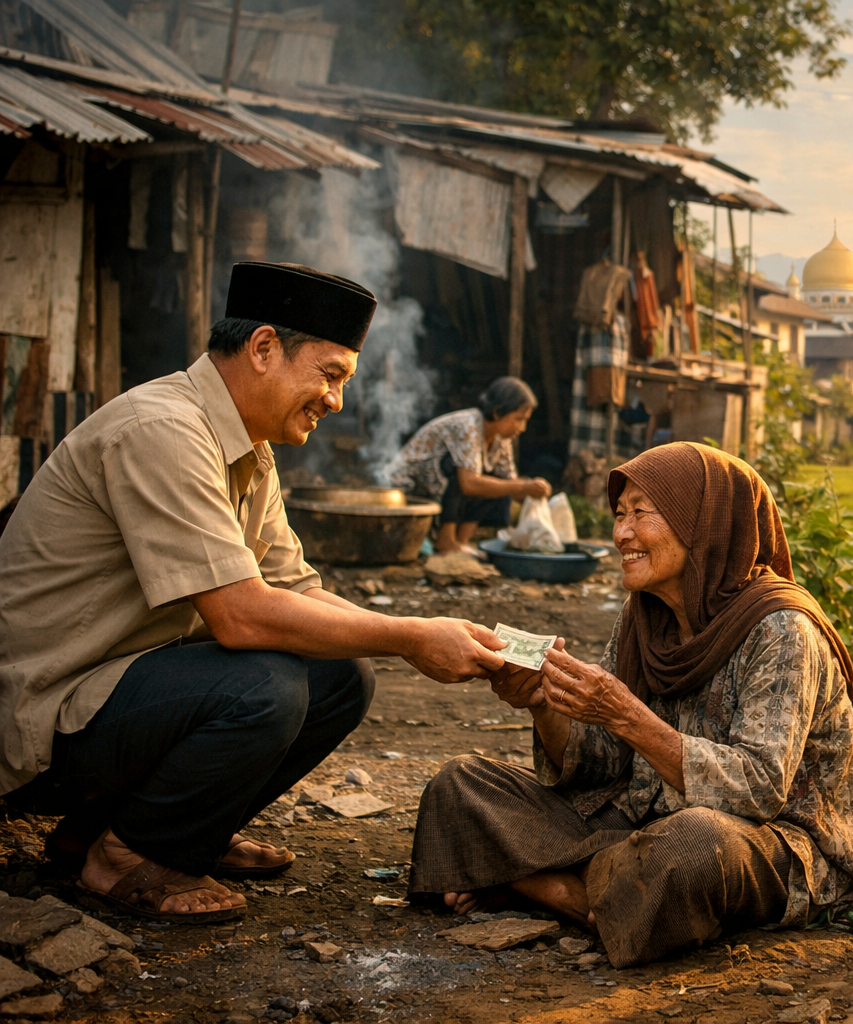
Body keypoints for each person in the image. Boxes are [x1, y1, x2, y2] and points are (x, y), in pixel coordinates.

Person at [0, 261, 508, 924]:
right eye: (330, 375)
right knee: (263, 685)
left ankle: (143, 832)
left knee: (342, 677)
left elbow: (294, 587)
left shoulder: (249, 449)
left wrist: (424, 632)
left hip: (115, 695)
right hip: (41, 716)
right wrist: (411, 638)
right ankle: (126, 857)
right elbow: (242, 616)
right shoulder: (163, 430)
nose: (336, 401)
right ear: (264, 348)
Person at [408, 443, 853, 968]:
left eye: (641, 513)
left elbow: (758, 788)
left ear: (702, 523)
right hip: (640, 821)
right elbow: (601, 765)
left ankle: (550, 889)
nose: (621, 534)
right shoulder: (643, 615)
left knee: (692, 846)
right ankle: (598, 894)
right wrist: (546, 705)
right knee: (460, 784)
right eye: (619, 514)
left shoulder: (782, 629)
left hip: (771, 843)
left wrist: (627, 714)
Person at [385, 377, 552, 559]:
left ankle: (460, 540)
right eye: (518, 419)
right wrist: (522, 486)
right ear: (497, 412)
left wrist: (534, 490)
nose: (523, 427)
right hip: (405, 491)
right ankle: (446, 540)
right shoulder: (468, 426)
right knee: (457, 467)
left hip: (436, 492)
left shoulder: (501, 440)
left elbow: (510, 484)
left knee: (500, 484)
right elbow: (469, 484)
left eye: (525, 420)